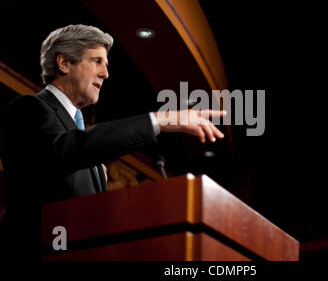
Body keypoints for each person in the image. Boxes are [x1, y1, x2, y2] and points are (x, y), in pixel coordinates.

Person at [0, 24, 225, 260]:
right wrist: (159, 120)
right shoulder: (28, 108)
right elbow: (65, 150)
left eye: (106, 64)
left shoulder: (81, 137)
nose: (106, 74)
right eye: (97, 61)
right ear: (64, 63)